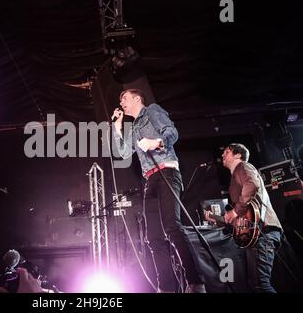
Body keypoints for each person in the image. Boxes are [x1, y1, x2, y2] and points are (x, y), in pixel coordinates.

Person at [112, 89, 205, 293]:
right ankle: (166, 288)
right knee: (153, 238)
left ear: (137, 98)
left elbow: (171, 132)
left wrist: (156, 142)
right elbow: (124, 152)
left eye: (124, 98)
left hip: (167, 172)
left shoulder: (152, 110)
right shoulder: (134, 126)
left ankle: (195, 283)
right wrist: (117, 126)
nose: (122, 103)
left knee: (172, 227)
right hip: (150, 179)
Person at [205, 143, 282, 293]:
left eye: (226, 152)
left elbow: (252, 184)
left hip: (263, 233)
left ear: (238, 155)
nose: (222, 155)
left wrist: (235, 211)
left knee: (261, 285)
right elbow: (241, 219)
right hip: (256, 234)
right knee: (256, 285)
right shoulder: (235, 177)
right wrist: (218, 218)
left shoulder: (243, 167)